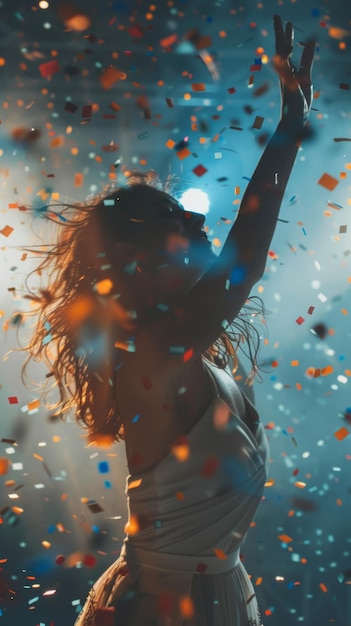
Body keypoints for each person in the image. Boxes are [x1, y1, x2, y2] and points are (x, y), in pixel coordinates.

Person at [23, 14, 314, 626]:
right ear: (130, 256)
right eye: (173, 217)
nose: (197, 221)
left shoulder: (182, 353)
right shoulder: (156, 355)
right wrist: (288, 129)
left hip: (206, 594)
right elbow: (248, 263)